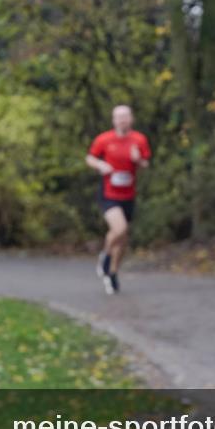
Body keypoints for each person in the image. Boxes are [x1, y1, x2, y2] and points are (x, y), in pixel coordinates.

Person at [85, 105, 150, 294]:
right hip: (108, 194)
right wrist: (100, 165)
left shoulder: (139, 139)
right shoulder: (104, 139)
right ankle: (105, 256)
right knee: (120, 228)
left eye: (125, 116)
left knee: (122, 240)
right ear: (113, 120)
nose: (122, 120)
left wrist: (138, 160)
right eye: (118, 117)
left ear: (131, 119)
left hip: (128, 195)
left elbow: (146, 163)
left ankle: (112, 273)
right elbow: (90, 158)